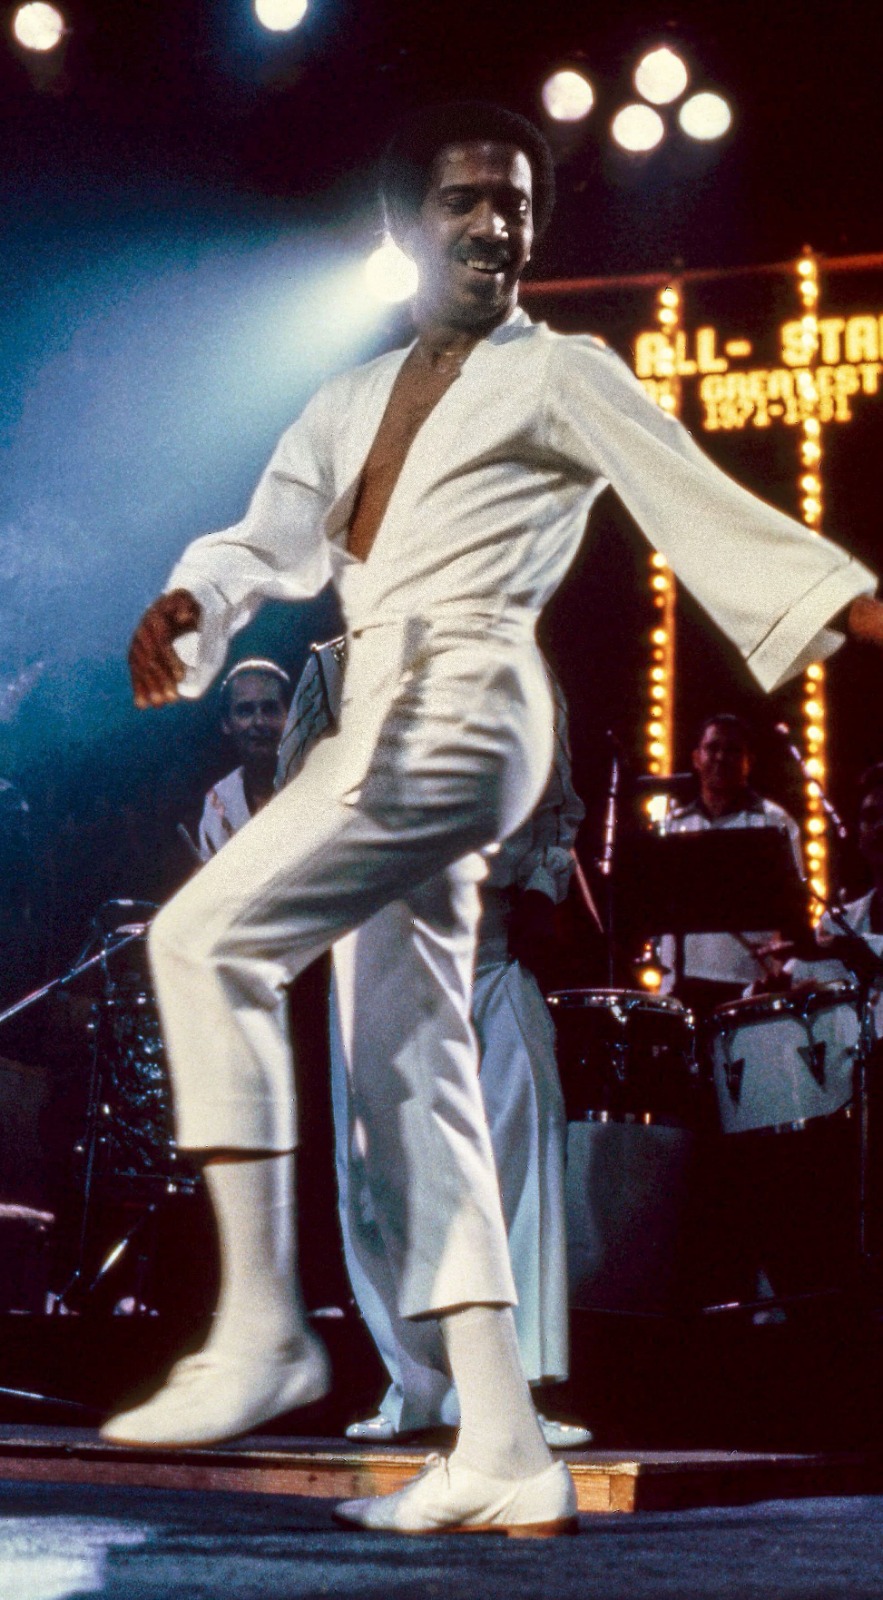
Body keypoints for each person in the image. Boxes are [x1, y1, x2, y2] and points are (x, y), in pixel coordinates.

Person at [111, 99, 883, 1536]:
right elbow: (267, 538)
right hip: (365, 708)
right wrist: (194, 604)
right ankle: (499, 1432)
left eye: (513, 204)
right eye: (463, 201)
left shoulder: (562, 371)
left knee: (205, 940)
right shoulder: (347, 398)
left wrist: (848, 601)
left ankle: (263, 1329)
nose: (492, 226)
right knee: (403, 1081)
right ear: (409, 226)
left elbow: (692, 499)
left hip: (466, 694)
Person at [281, 647, 591, 1447]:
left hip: (490, 940)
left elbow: (556, 797)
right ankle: (418, 1383)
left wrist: (541, 888)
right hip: (377, 939)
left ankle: (509, 1388)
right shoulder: (335, 667)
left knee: (519, 1152)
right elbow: (292, 803)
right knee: (375, 1181)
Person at [659, 714, 803, 1015]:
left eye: (733, 750)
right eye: (713, 748)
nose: (721, 757)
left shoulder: (774, 822)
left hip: (749, 989)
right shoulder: (672, 825)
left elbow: (793, 911)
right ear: (696, 758)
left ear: (749, 761)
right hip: (681, 987)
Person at [198, 659, 291, 860]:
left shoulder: (315, 776)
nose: (259, 722)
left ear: (289, 715)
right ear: (226, 723)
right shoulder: (218, 802)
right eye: (246, 711)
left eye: (270, 709)